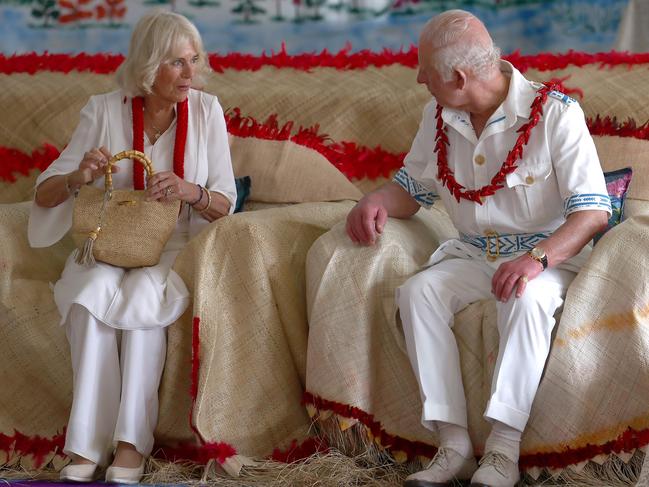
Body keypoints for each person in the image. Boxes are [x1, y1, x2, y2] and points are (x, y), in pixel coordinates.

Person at [345, 10, 611, 487]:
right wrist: (375, 200)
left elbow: (592, 212)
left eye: (426, 68)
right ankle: (454, 447)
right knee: (418, 293)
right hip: (471, 254)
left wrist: (536, 261)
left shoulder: (556, 115)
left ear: (460, 77)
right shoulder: (438, 115)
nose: (420, 76)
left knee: (524, 297)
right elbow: (414, 189)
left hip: (547, 258)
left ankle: (503, 452)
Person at [28, 10, 236, 484]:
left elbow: (226, 203)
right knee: (90, 295)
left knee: (145, 298)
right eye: (177, 64)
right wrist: (80, 175)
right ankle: (85, 447)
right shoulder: (103, 109)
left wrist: (191, 191)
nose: (191, 74)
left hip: (175, 247)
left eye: (194, 61)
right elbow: (44, 194)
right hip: (108, 245)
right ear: (147, 67)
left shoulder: (207, 110)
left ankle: (129, 446)